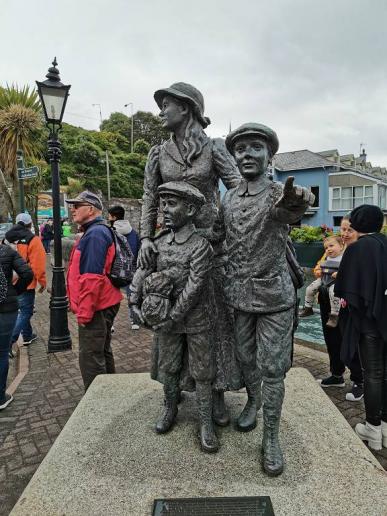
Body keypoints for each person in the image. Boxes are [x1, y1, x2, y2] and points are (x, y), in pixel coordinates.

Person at [139, 82, 242, 424]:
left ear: (186, 108)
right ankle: (173, 393)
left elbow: (238, 191)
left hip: (210, 246)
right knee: (170, 314)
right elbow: (150, 198)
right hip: (170, 246)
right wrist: (144, 239)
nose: (161, 111)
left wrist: (223, 230)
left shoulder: (213, 148)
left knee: (212, 324)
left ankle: (214, 394)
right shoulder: (158, 152)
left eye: (166, 105)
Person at [217, 123, 314, 475]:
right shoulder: (229, 197)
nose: (246, 154)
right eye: (240, 148)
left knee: (273, 369)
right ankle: (254, 400)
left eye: (255, 147)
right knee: (245, 358)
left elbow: (290, 209)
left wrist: (296, 201)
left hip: (274, 296)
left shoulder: (277, 193)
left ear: (269, 155)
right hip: (240, 296)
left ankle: (271, 437)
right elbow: (219, 235)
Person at [130, 182, 218, 452]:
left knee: (203, 372)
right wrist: (133, 301)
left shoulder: (201, 247)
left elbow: (194, 287)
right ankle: (169, 409)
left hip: (197, 319)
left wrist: (172, 318)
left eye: (172, 204)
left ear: (190, 209)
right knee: (168, 367)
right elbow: (142, 273)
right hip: (166, 321)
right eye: (163, 204)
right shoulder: (158, 244)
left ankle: (206, 422)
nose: (165, 210)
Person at [335, 205, 387, 451]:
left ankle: (373, 427)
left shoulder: (357, 249)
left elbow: (345, 288)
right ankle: (385, 425)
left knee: (373, 374)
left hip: (369, 322)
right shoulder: (385, 244)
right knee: (385, 374)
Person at [65, 191, 123, 391]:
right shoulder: (95, 231)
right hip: (104, 302)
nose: (73, 209)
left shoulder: (96, 233)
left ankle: (96, 402)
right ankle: (109, 394)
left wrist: (85, 312)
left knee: (90, 357)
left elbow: (92, 278)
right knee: (102, 351)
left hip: (98, 306)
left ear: (90, 210)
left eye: (77, 205)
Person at [317, 216, 364, 402]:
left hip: (347, 302)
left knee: (351, 342)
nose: (344, 234)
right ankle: (336, 374)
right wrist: (320, 271)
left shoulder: (360, 251)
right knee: (331, 338)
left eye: (349, 230)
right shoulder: (333, 248)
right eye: (342, 229)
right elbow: (319, 266)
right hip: (326, 298)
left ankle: (358, 380)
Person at [0, 242, 33, 410]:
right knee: (2, 352)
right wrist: (14, 291)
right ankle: (0, 396)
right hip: (6, 307)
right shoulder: (7, 251)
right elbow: (27, 273)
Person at [5, 213, 47, 346]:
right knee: (25, 312)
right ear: (29, 225)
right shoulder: (33, 240)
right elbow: (38, 265)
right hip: (25, 281)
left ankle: (27, 335)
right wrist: (42, 282)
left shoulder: (7, 238)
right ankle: (9, 341)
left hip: (9, 280)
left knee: (22, 309)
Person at [299, 236, 344, 328]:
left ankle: (334, 315)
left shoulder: (344, 258)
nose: (329, 249)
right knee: (309, 289)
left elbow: (349, 270)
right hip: (324, 278)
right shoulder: (326, 258)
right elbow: (319, 267)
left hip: (336, 281)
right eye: (326, 248)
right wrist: (319, 271)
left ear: (341, 246)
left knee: (333, 293)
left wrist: (340, 274)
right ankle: (308, 307)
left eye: (331, 246)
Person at [108, 205, 141, 330]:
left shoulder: (110, 231)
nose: (108, 218)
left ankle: (111, 324)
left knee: (111, 297)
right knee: (132, 295)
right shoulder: (133, 232)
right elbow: (139, 250)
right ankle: (134, 321)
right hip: (131, 269)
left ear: (114, 217)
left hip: (114, 269)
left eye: (109, 216)